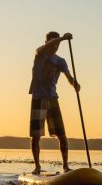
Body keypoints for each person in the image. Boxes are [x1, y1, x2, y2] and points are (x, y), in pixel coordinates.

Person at [29, 31, 80, 174]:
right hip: (38, 98)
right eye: (53, 43)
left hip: (52, 99)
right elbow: (39, 49)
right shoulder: (40, 55)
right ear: (46, 43)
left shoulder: (61, 61)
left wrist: (75, 84)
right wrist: (62, 38)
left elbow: (69, 77)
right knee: (36, 136)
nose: (55, 46)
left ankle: (65, 166)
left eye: (57, 44)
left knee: (62, 135)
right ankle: (37, 167)